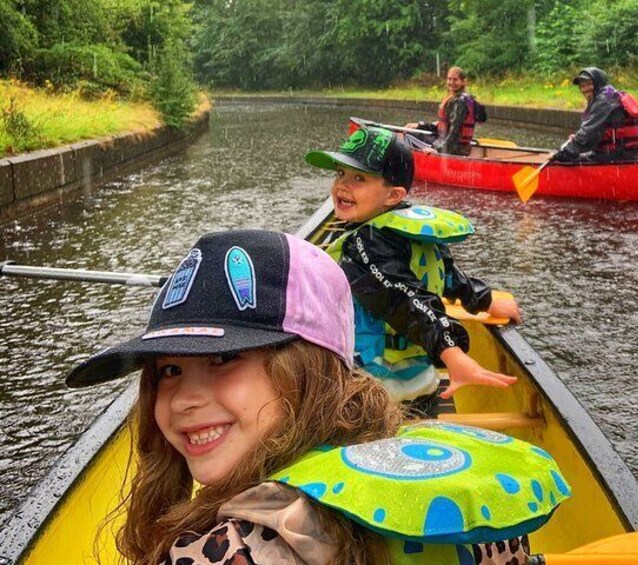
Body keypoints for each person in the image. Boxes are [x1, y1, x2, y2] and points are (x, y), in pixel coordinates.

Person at [63, 229, 569, 564]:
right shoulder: (478, 515)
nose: (182, 400)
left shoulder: (212, 554)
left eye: (223, 359)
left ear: (308, 369)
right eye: (169, 369)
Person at [305, 126, 522, 412]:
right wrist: (486, 299)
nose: (341, 186)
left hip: (370, 391)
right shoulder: (412, 232)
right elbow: (447, 276)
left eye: (359, 178)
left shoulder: (362, 244)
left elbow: (405, 299)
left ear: (394, 195)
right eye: (340, 174)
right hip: (420, 384)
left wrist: (450, 352)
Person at [553, 66, 638, 164]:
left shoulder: (604, 100)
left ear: (598, 83)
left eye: (589, 84)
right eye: (582, 86)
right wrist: (576, 141)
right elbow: (592, 135)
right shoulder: (610, 95)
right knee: (578, 154)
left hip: (617, 156)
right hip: (626, 154)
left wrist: (565, 153)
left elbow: (588, 133)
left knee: (569, 160)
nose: (585, 89)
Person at [405, 66, 479, 156]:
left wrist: (438, 150)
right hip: (448, 145)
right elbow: (442, 124)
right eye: (449, 79)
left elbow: (455, 131)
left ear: (463, 82)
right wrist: (419, 125)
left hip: (454, 150)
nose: (451, 83)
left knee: (408, 136)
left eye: (455, 80)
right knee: (414, 132)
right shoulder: (456, 99)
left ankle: (415, 167)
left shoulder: (460, 102)